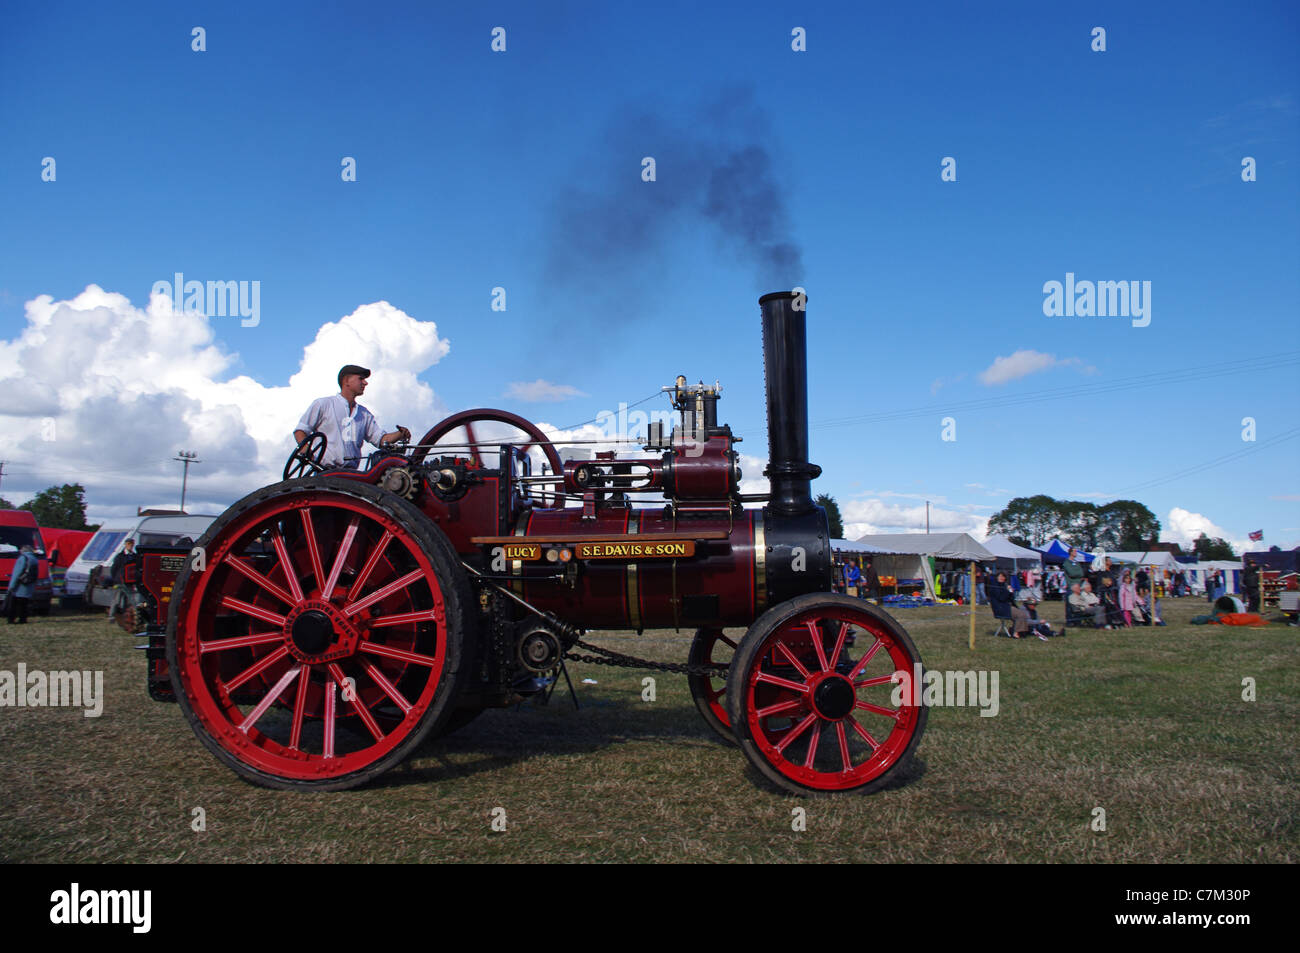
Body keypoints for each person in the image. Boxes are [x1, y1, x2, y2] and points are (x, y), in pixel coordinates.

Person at [293, 365, 412, 470]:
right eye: (361, 378)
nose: (365, 383)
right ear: (346, 381)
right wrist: (308, 453)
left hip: (350, 476)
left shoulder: (364, 414)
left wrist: (400, 434)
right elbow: (301, 431)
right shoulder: (323, 404)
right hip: (324, 473)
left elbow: (380, 440)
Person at [108, 538, 142, 621]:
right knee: (116, 600)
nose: (130, 546)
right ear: (125, 545)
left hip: (129, 582)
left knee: (130, 600)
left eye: (131, 544)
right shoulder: (120, 556)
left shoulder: (135, 556)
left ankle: (129, 616)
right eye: (128, 544)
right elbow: (114, 569)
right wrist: (115, 579)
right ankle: (111, 616)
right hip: (120, 582)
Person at [5, 544, 39, 625]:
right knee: (24, 604)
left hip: (20, 585)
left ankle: (11, 619)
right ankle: (23, 619)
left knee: (14, 604)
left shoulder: (23, 558)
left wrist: (11, 586)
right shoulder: (34, 559)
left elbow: (17, 573)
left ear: (23, 550)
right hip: (29, 584)